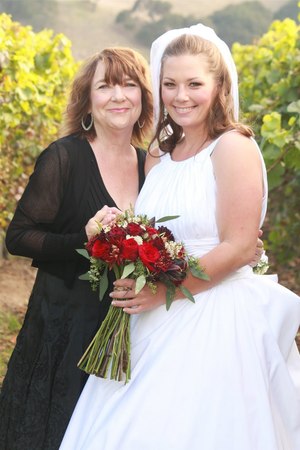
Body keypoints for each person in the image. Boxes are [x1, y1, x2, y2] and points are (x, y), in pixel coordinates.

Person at [59, 24, 300, 450]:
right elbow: (155, 233)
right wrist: (124, 250)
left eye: (194, 84)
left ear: (219, 85)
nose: (180, 96)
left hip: (213, 313)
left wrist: (162, 292)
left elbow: (241, 246)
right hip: (152, 314)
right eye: (170, 84)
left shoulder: (232, 147)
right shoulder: (159, 154)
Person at [0, 47, 153, 450]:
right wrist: (83, 241)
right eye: (105, 86)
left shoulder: (150, 166)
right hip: (63, 327)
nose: (118, 96)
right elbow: (18, 236)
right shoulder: (63, 157)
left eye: (129, 85)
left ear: (143, 98)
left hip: (125, 329)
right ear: (88, 100)